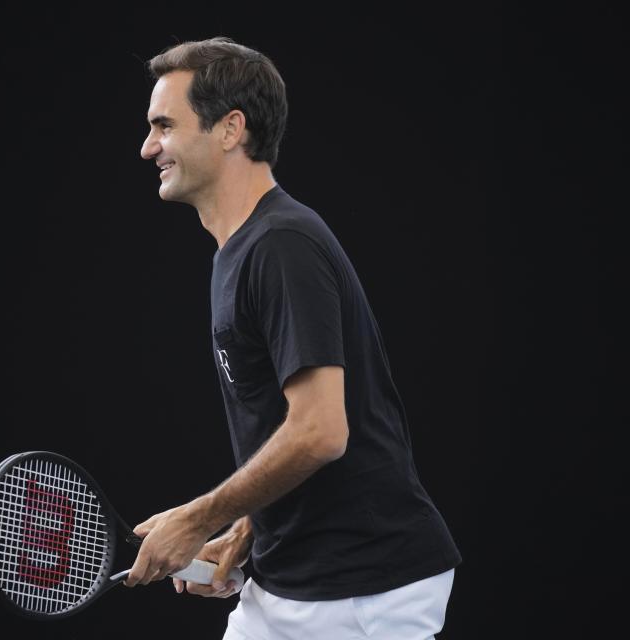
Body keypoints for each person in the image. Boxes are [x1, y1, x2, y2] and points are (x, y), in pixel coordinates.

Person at [125, 37, 462, 639]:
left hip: (365, 591)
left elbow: (322, 430)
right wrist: (247, 529)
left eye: (164, 126)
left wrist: (196, 520)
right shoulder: (242, 250)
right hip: (284, 585)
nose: (149, 146)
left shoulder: (282, 246)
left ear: (230, 129)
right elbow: (293, 426)